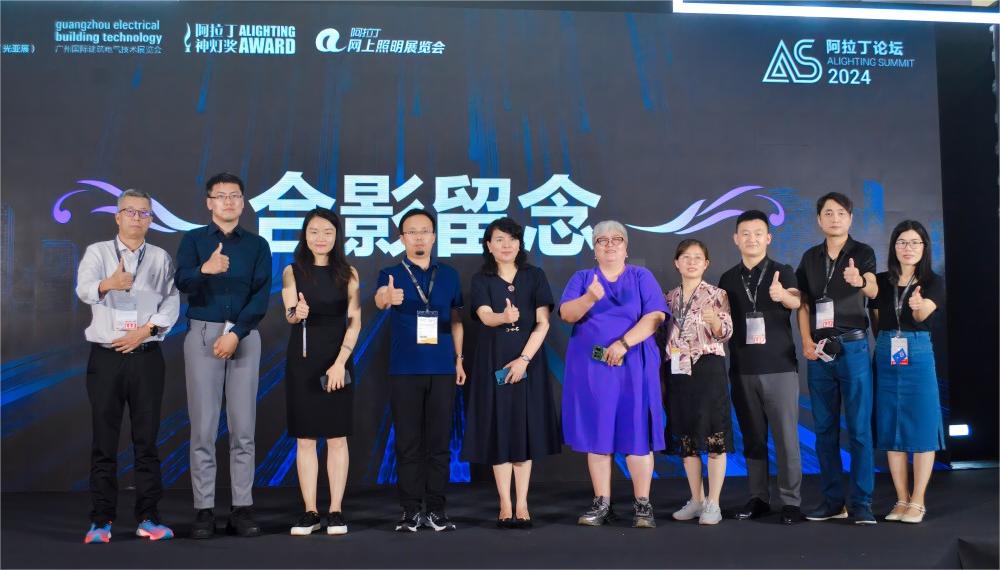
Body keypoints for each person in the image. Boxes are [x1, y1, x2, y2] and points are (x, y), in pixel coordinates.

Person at [76, 189, 180, 544]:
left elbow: (172, 301)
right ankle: (101, 520)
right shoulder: (98, 252)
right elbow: (84, 289)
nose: (137, 218)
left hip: (146, 355)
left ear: (151, 219)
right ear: (117, 216)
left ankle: (148, 517)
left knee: (147, 441)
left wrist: (145, 331)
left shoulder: (161, 257)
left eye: (144, 213)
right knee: (104, 442)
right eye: (130, 212)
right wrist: (110, 283)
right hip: (106, 357)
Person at [175, 172, 272, 538]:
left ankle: (241, 508)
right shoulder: (194, 240)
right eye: (221, 195)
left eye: (235, 195)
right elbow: (181, 281)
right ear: (209, 202)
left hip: (244, 335)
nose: (228, 201)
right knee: (202, 428)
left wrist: (236, 333)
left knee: (243, 428)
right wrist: (206, 269)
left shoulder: (257, 245)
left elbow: (261, 294)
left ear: (243, 202)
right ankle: (204, 509)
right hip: (203, 333)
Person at [558, 220, 668, 529]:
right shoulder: (582, 278)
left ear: (626, 247)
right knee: (599, 435)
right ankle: (602, 503)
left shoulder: (641, 276)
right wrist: (589, 298)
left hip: (634, 365)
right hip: (593, 369)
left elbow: (655, 317)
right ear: (594, 249)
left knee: (637, 435)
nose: (609, 244)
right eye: (601, 240)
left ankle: (642, 505)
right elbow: (567, 314)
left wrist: (623, 344)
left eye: (616, 239)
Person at [462, 217, 561, 529]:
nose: (506, 245)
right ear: (489, 246)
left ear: (520, 244)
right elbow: (484, 316)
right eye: (499, 240)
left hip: (528, 362)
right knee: (500, 429)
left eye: (512, 239)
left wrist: (523, 360)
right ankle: (505, 503)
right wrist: (503, 317)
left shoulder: (535, 276)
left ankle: (523, 503)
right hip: (492, 362)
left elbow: (543, 322)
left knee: (523, 430)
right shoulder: (481, 280)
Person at [373, 209, 465, 532]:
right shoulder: (390, 273)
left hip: (442, 369)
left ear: (434, 236)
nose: (419, 237)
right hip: (405, 370)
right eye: (411, 232)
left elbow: (456, 320)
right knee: (408, 443)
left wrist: (459, 359)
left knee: (439, 443)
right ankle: (410, 510)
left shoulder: (449, 275)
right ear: (402, 239)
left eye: (424, 231)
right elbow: (379, 299)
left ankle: (437, 509)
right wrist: (387, 296)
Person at [795, 192, 879, 525]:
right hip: (819, 351)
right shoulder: (810, 257)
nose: (834, 218)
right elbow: (803, 304)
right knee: (824, 430)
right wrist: (805, 341)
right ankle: (832, 502)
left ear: (850, 218)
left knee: (859, 429)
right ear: (819, 220)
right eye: (828, 213)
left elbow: (873, 288)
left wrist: (861, 281)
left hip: (853, 348)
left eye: (841, 213)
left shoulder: (863, 252)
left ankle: (862, 503)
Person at [717, 210, 804, 525]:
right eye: (745, 233)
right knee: (753, 436)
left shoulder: (783, 271)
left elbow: (796, 301)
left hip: (779, 367)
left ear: (768, 237)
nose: (751, 239)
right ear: (735, 239)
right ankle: (758, 497)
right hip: (742, 369)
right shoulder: (727, 279)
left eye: (758, 233)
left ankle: (791, 502)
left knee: (786, 438)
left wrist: (783, 296)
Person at [281, 208, 361, 536]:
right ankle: (310, 511)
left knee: (337, 437)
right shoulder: (292, 271)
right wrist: (296, 312)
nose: (320, 238)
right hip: (302, 359)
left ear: (336, 235)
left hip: (338, 358)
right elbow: (289, 314)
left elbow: (355, 321)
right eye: (314, 231)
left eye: (327, 232)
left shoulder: (349, 273)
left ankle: (336, 510)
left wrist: (340, 362)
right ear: (305, 234)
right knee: (305, 439)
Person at [871, 220, 945, 524]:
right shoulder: (881, 281)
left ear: (924, 247)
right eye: (902, 242)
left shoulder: (933, 282)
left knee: (923, 425)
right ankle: (901, 499)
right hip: (887, 351)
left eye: (915, 242)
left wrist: (917, 306)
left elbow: (924, 313)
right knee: (891, 426)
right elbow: (876, 320)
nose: (908, 248)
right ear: (893, 246)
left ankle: (918, 500)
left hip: (918, 351)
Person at [665, 239, 734, 526]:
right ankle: (696, 499)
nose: (691, 262)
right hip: (677, 370)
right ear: (676, 263)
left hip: (708, 368)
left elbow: (726, 332)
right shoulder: (668, 297)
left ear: (706, 264)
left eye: (697, 258)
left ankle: (713, 503)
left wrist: (715, 322)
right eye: (686, 257)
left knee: (715, 436)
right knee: (687, 438)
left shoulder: (717, 294)